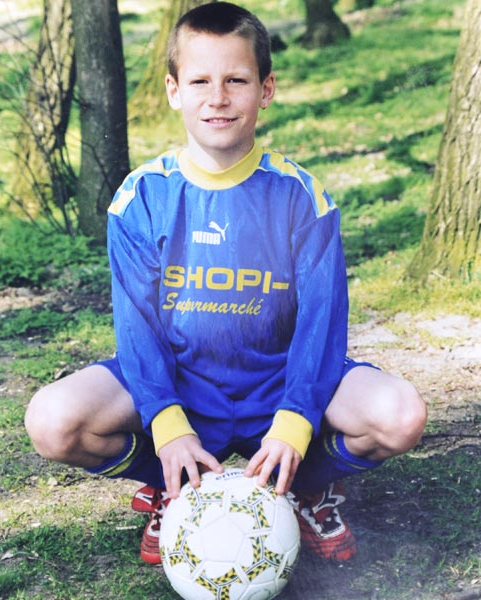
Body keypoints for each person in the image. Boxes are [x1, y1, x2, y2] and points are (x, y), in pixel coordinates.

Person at [25, 1, 427, 565]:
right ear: (173, 90)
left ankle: (300, 484)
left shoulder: (300, 196)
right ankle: (177, 482)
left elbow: (321, 323)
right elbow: (137, 330)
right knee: (52, 422)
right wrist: (168, 427)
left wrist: (294, 422)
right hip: (183, 387)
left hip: (279, 385)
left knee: (400, 415)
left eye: (236, 80)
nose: (217, 97)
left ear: (266, 89)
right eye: (200, 81)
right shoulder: (141, 198)